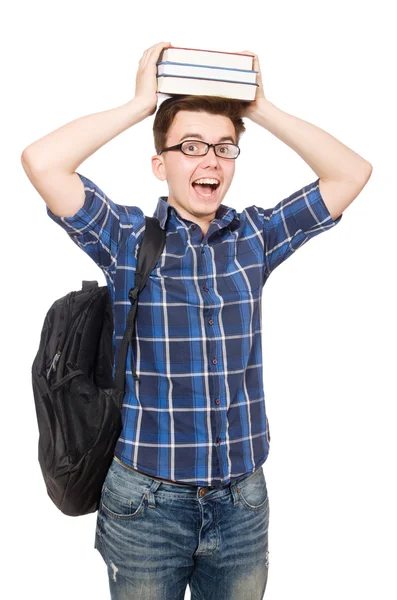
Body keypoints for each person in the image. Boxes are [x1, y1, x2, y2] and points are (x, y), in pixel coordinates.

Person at [21, 41, 372, 600]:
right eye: (190, 146)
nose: (209, 159)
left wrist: (261, 109)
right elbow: (43, 162)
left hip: (241, 503)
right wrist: (141, 104)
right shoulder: (128, 238)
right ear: (160, 162)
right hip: (145, 504)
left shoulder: (254, 237)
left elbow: (351, 173)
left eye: (224, 148)